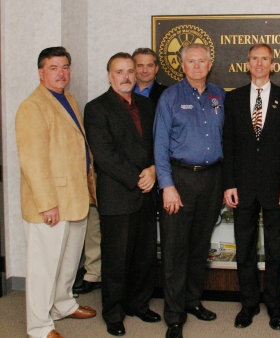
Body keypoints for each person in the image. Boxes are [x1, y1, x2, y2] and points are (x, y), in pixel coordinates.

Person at [16, 46, 97, 338]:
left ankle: (62, 304)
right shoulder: (32, 107)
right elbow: (33, 161)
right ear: (41, 72)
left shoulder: (68, 99)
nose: (61, 73)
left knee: (68, 261)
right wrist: (47, 204)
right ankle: (38, 326)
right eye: (54, 68)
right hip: (50, 204)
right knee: (43, 267)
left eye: (65, 67)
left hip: (75, 198)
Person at [222, 43, 280, 331]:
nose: (259, 63)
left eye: (264, 59)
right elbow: (227, 143)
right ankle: (249, 304)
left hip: (276, 188)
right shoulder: (235, 98)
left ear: (272, 64)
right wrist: (228, 183)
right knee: (245, 249)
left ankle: (275, 306)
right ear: (247, 63)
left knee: (277, 250)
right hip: (241, 187)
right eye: (254, 58)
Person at [84, 52, 160, 336]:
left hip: (146, 192)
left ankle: (139, 304)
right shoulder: (96, 108)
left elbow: (156, 140)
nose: (127, 76)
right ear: (109, 76)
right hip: (118, 194)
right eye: (120, 72)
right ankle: (113, 313)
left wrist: (153, 169)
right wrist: (137, 177)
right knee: (116, 259)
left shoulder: (147, 104)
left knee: (144, 255)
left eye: (130, 71)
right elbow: (104, 155)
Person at [154, 43, 225, 338]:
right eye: (191, 61)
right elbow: (159, 146)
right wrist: (167, 186)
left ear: (209, 65)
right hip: (180, 180)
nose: (197, 66)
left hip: (212, 179)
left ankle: (193, 301)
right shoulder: (170, 97)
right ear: (182, 66)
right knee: (174, 250)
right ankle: (173, 315)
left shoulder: (219, 95)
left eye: (202, 61)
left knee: (199, 248)